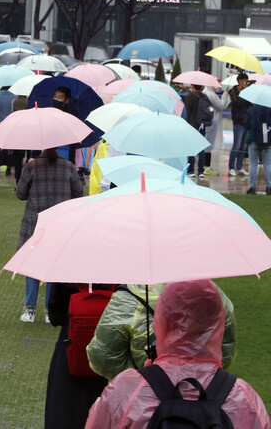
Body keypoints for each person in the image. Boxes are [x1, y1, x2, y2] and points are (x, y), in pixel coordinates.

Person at [85, 280, 269, 429]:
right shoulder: (243, 398)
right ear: (219, 324)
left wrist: (142, 379)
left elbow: (102, 357)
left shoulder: (124, 392)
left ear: (159, 323)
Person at [86, 283, 236, 381]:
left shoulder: (127, 299)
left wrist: (139, 379)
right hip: (205, 388)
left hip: (145, 399)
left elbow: (103, 358)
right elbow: (226, 348)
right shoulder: (209, 292)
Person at [16, 148, 83, 322]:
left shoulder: (32, 166)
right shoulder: (68, 167)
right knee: (53, 266)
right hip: (60, 222)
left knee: (32, 264)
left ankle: (30, 310)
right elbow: (79, 193)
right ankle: (49, 310)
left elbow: (20, 194)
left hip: (35, 222)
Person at [44, 283, 110, 429]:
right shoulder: (125, 268)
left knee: (65, 414)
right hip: (111, 354)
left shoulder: (68, 265)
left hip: (71, 349)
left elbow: (56, 314)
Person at [201, 84, 230, 176]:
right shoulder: (211, 94)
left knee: (204, 141)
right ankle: (207, 166)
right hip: (213, 120)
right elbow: (221, 106)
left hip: (205, 120)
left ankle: (203, 165)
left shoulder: (204, 92)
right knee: (209, 143)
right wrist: (225, 95)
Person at [228, 73, 252, 176]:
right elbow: (237, 103)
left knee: (243, 146)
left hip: (247, 121)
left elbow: (250, 104)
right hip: (238, 121)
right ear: (239, 81)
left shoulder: (248, 91)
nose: (245, 83)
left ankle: (239, 167)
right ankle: (231, 167)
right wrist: (243, 92)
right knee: (236, 145)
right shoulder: (233, 91)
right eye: (243, 80)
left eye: (246, 81)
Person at [245, 102, 271, 194]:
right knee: (267, 164)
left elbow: (247, 125)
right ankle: (269, 186)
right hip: (267, 140)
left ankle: (252, 187)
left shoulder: (251, 110)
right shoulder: (269, 110)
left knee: (253, 164)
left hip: (253, 140)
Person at [184, 84, 207, 177]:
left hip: (192, 125)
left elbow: (186, 112)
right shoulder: (205, 97)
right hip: (202, 125)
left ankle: (191, 170)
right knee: (201, 147)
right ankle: (201, 171)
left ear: (193, 86)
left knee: (192, 148)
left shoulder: (190, 97)